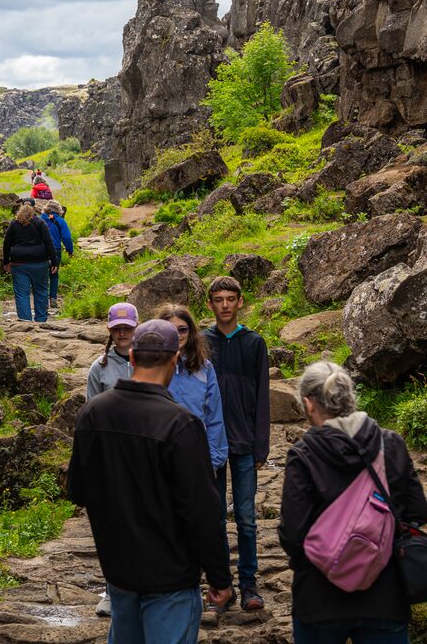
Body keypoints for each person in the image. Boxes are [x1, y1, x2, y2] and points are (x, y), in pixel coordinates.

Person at [67, 320, 233, 644]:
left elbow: (78, 490)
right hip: (170, 577)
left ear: (131, 358)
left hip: (118, 570)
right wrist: (219, 577)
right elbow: (201, 511)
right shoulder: (181, 424)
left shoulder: (92, 413)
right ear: (174, 360)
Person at [278, 362, 427, 644]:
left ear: (309, 404)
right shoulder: (391, 444)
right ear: (349, 397)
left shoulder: (304, 455)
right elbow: (418, 511)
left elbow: (293, 534)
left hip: (319, 599)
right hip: (385, 597)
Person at [202, 276, 270, 612]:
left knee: (245, 517)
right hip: (210, 445)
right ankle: (220, 585)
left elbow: (262, 396)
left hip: (244, 441)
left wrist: (262, 445)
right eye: (219, 299)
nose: (225, 305)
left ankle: (249, 584)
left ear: (240, 302)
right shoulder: (201, 341)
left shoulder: (254, 342)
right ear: (210, 304)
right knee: (213, 517)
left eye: (231, 299)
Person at [85, 300, 140, 618]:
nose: (122, 334)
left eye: (127, 328)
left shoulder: (148, 360)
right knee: (113, 528)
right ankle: (112, 589)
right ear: (110, 331)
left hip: (144, 453)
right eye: (117, 329)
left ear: (136, 328)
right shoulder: (100, 368)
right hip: (112, 456)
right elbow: (91, 413)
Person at [157, 304, 228, 473]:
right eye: (170, 330)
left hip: (197, 458)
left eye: (182, 329)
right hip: (160, 459)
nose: (177, 335)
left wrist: (213, 462)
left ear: (190, 332)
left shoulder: (204, 368)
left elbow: (214, 417)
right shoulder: (151, 367)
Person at [1, 202, 58, 322]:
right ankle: (41, 320)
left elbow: (6, 244)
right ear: (33, 212)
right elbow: (49, 243)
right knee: (41, 291)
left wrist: (6, 261)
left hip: (19, 264)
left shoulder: (14, 224)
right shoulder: (40, 222)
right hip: (39, 263)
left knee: (22, 293)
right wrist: (54, 261)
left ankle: (25, 321)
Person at [42, 200, 74, 309]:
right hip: (55, 250)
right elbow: (66, 237)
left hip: (41, 250)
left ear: (46, 209)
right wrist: (70, 250)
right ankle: (53, 299)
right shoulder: (60, 221)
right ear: (58, 210)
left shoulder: (39, 219)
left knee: (42, 275)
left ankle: (42, 300)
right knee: (54, 274)